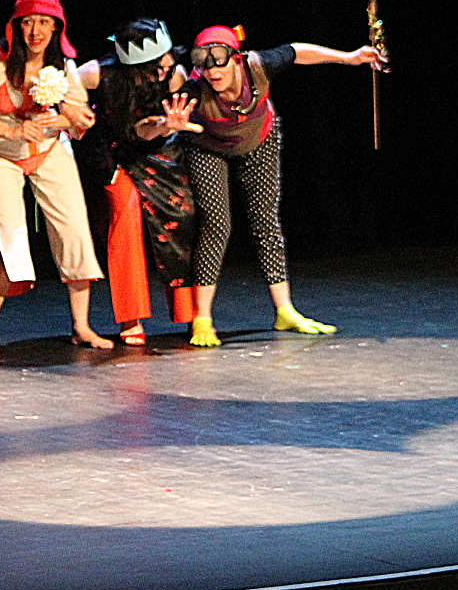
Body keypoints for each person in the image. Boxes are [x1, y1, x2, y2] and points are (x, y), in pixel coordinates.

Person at [181, 25, 385, 346]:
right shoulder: (192, 87)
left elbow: (297, 51)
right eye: (204, 63)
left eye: (219, 62)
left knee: (266, 223)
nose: (212, 72)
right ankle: (202, 319)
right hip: (207, 147)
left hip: (259, 139)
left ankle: (284, 310)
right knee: (216, 225)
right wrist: (168, 124)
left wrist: (350, 58)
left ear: (235, 59)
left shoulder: (258, 65)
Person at [0, 0, 109, 358]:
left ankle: (81, 325)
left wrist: (65, 115)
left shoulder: (63, 67)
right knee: (10, 236)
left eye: (44, 22)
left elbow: (82, 121)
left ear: (57, 26)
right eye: (28, 22)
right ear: (16, 25)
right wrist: (13, 128)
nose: (35, 31)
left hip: (49, 150)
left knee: (73, 232)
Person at [75, 18, 201, 345]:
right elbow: (65, 92)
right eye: (158, 64)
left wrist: (167, 124)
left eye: (168, 59)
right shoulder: (97, 73)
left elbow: (150, 130)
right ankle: (130, 317)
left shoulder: (174, 75)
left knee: (181, 216)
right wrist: (75, 117)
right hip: (115, 154)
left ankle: (188, 312)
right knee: (126, 214)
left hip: (159, 148)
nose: (167, 66)